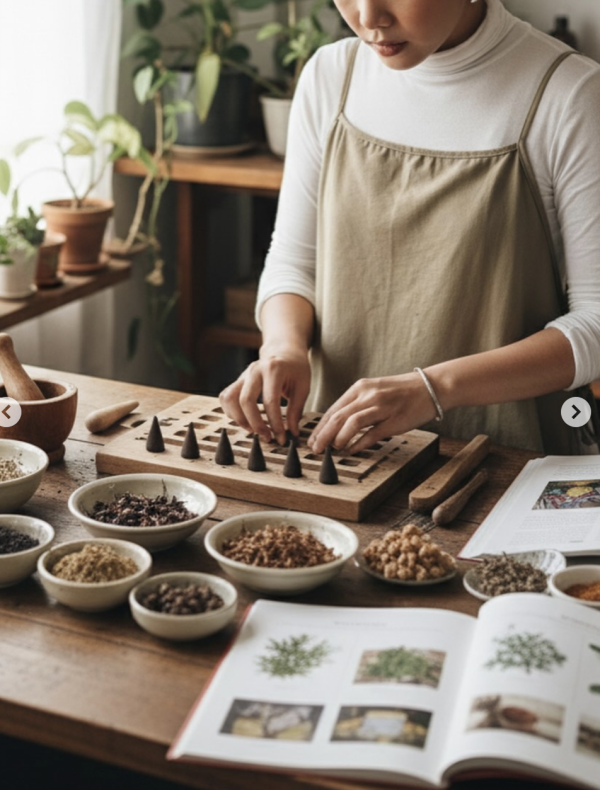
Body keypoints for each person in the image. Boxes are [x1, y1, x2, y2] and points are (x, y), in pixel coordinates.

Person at [220, 0, 600, 456]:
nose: (368, 16)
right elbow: (294, 260)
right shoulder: (330, 77)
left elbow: (595, 323)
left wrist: (433, 388)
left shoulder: (569, 93)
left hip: (506, 460)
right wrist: (283, 346)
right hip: (342, 455)